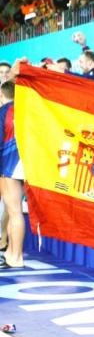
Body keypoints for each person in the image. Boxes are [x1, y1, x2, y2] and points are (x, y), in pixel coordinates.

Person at [0, 81, 24, 270]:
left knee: (14, 211)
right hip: (28, 164)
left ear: (2, 95)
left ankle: (16, 257)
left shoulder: (4, 111)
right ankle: (10, 253)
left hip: (10, 164)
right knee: (12, 210)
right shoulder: (29, 108)